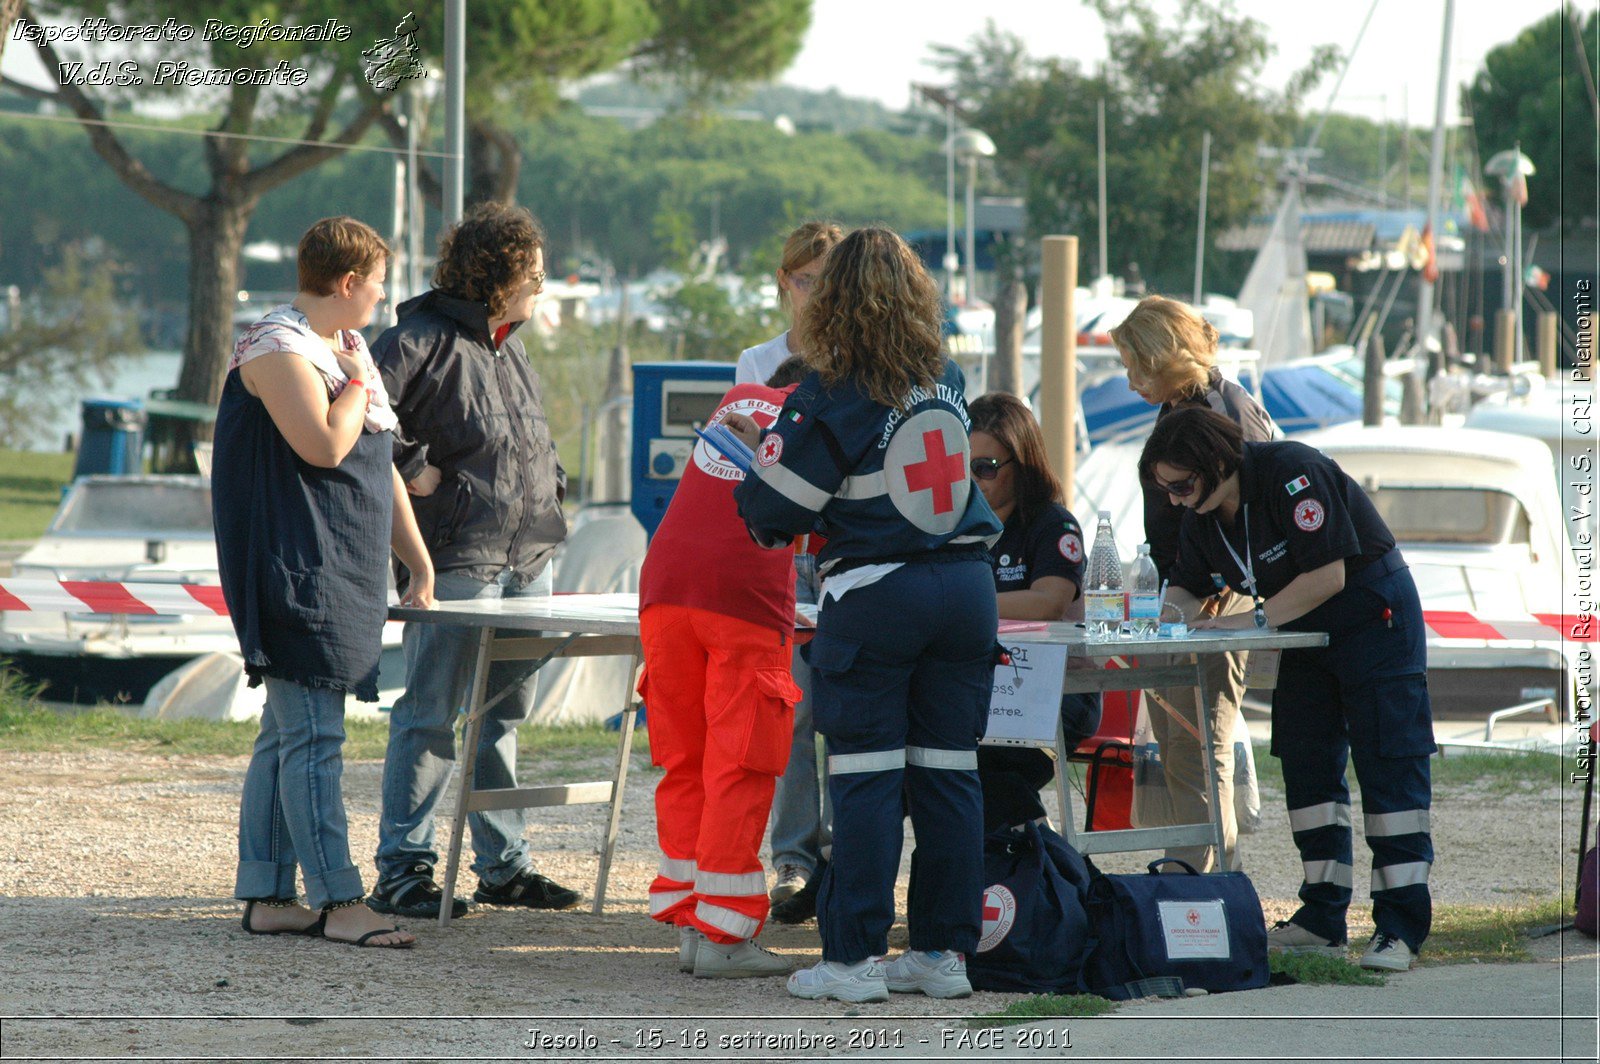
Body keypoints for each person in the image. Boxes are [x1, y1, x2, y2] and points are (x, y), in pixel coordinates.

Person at [728, 226, 1003, 1003]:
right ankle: (943, 955)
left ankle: (850, 961)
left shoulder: (830, 385)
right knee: (949, 777)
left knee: (866, 778)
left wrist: (761, 452)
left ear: (834, 298)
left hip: (880, 594)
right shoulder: (944, 374)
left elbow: (772, 514)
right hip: (967, 589)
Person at [1138, 407, 1434, 973]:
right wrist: (1164, 618)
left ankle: (1399, 927)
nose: (1174, 499)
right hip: (1304, 639)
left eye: (1181, 486)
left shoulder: (1291, 471)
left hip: (1376, 621)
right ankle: (1323, 919)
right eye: (1165, 490)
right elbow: (1185, 588)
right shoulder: (1202, 518)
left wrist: (1244, 623)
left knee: (1388, 768)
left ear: (1214, 461)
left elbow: (1329, 574)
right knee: (1306, 765)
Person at [214, 216, 435, 949]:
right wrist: (357, 382)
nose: (379, 299)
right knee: (313, 737)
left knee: (286, 736)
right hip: (294, 569)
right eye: (375, 284)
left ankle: (270, 893)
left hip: (339, 569)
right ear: (347, 283)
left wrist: (417, 559)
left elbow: (379, 461)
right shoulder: (277, 347)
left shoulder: (342, 349)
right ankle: (341, 902)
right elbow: (325, 443)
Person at [369, 202, 579, 918]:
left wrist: (553, 489)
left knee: (504, 716)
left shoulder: (509, 343)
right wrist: (413, 464)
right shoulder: (414, 340)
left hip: (529, 560)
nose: (542, 287)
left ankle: (503, 867)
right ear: (498, 277)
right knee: (430, 714)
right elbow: (359, 414)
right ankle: (403, 871)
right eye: (535, 275)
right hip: (457, 558)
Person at [638, 357, 812, 979]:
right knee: (741, 762)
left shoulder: (740, 396)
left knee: (685, 760)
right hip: (743, 603)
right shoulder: (816, 413)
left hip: (663, 591)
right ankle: (725, 935)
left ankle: (693, 923)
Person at [1109, 294, 1278, 873]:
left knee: (1201, 735)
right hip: (1185, 588)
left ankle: (1209, 874)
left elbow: (1252, 510)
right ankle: (1188, 863)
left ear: (1163, 357)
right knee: (1177, 738)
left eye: (1135, 365)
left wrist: (1204, 594)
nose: (1129, 380)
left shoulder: (1221, 407)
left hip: (1215, 592)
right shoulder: (1185, 406)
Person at [735, 220, 845, 915]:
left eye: (828, 281)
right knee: (793, 712)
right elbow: (745, 460)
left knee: (849, 711)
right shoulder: (757, 361)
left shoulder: (858, 361)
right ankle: (794, 859)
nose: (815, 293)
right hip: (782, 555)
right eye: (805, 279)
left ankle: (845, 853)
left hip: (841, 552)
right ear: (785, 281)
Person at [966, 393, 1100, 832]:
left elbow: (1049, 602)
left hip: (1057, 694)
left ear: (1021, 464)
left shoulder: (1052, 523)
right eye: (962, 467)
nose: (973, 479)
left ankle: (1045, 863)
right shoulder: (953, 526)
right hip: (984, 692)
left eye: (985, 467)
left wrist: (954, 601)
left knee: (976, 773)